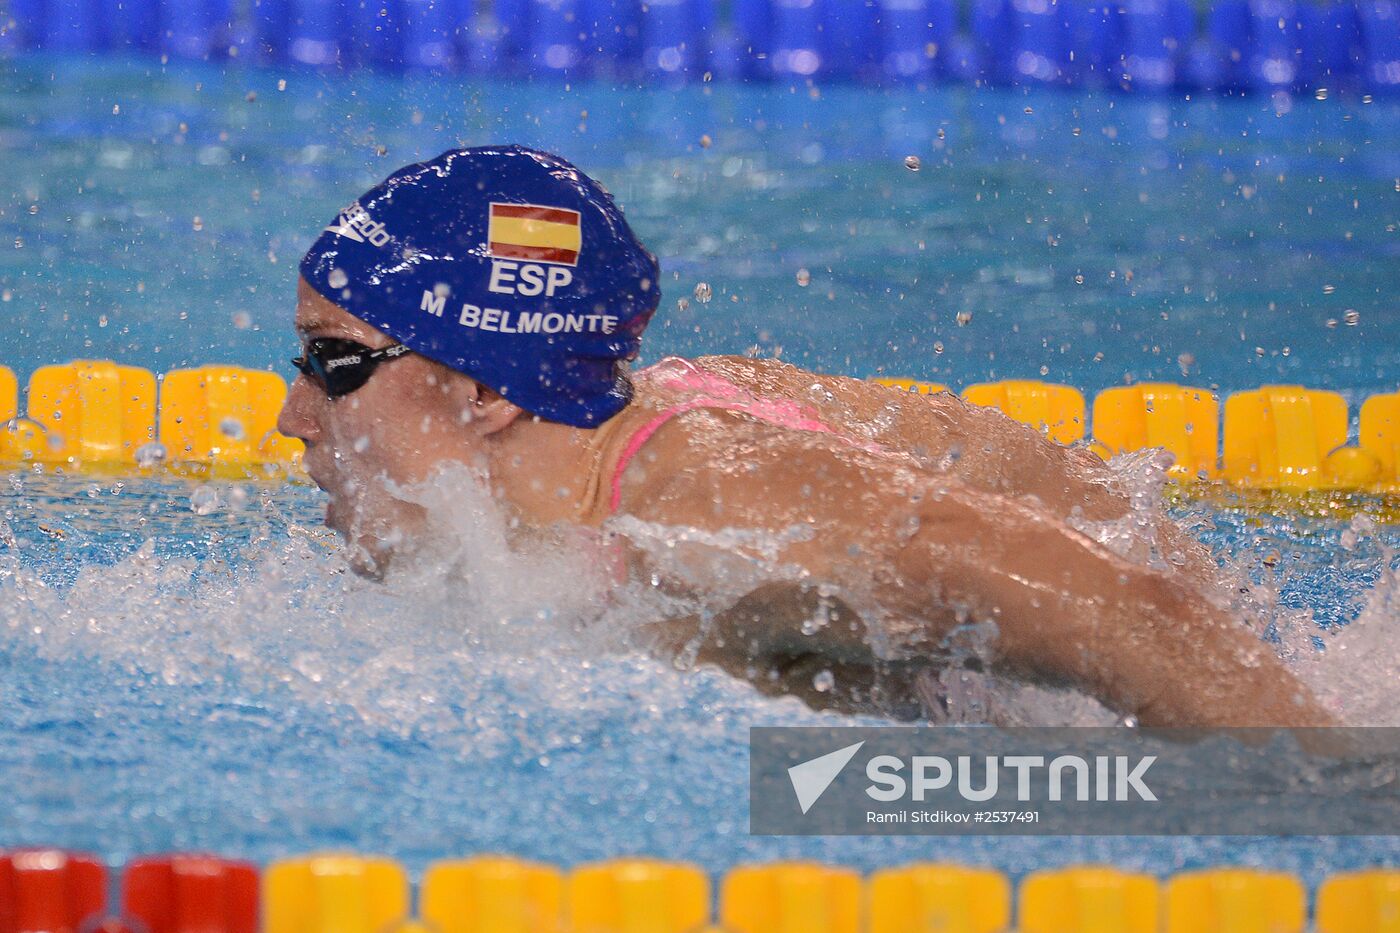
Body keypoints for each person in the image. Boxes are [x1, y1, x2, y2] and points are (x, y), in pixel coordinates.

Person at [277, 145, 1335, 729]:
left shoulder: (716, 525)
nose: (292, 418)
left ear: (482, 391)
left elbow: (1132, 610)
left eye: (334, 365)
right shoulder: (585, 477)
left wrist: (1332, 809)